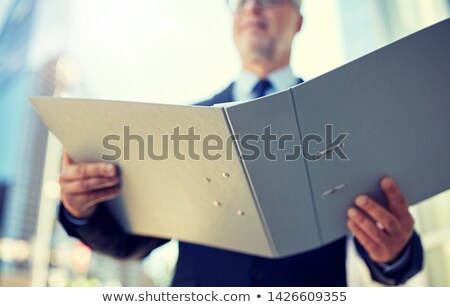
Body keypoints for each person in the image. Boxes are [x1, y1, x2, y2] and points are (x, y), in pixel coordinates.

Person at [58, 0, 423, 286]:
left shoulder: (343, 123)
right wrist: (81, 210)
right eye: (242, 0)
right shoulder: (184, 125)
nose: (252, 6)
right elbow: (134, 243)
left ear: (298, 20)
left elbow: (383, 240)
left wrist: (394, 250)